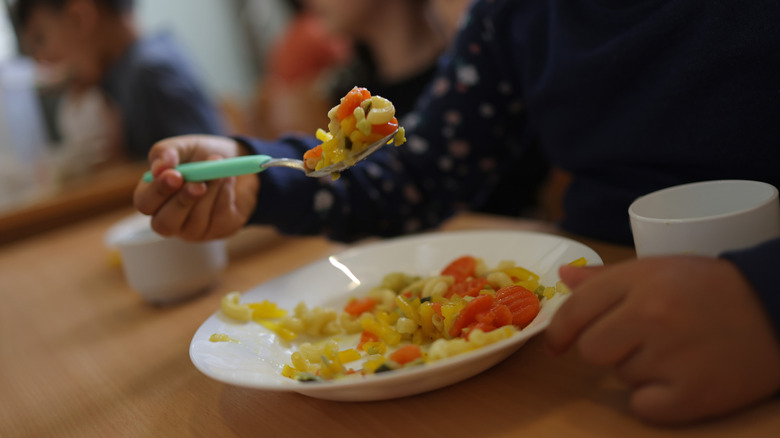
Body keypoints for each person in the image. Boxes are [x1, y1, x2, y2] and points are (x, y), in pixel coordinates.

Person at [133, 0, 780, 425]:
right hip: (588, 344)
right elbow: (414, 174)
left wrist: (762, 295)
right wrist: (256, 172)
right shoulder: (511, 16)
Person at [14, 0, 225, 160]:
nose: (42, 61)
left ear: (79, 18)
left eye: (40, 39)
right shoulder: (125, 73)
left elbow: (207, 171)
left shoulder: (150, 74)